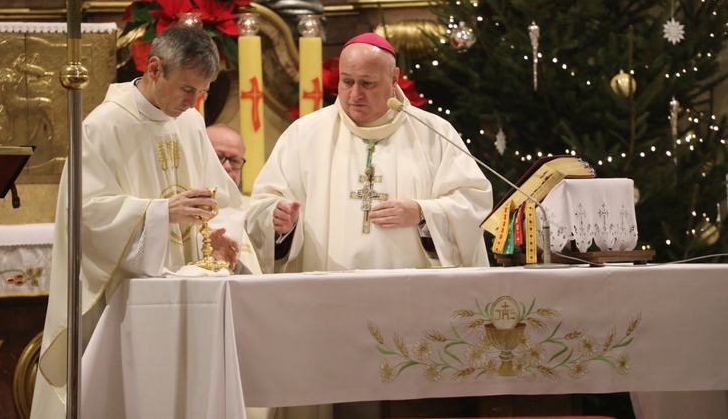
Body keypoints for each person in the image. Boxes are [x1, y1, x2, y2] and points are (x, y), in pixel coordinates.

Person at [30, 25, 245, 419]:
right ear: (154, 68)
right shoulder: (102, 127)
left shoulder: (191, 122)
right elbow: (87, 217)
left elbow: (221, 199)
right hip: (127, 302)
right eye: (186, 89)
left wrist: (219, 235)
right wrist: (161, 212)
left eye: (201, 92)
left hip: (190, 295)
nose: (193, 101)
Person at [246, 32, 492, 276]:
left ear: (393, 78)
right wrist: (279, 220)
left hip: (410, 295)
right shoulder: (303, 134)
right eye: (347, 81)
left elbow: (472, 202)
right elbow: (263, 204)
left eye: (367, 83)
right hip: (327, 294)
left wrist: (421, 212)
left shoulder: (433, 133)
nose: (355, 94)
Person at [207, 123, 265, 275]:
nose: (227, 166)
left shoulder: (252, 207)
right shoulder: (184, 206)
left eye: (234, 161)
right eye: (219, 157)